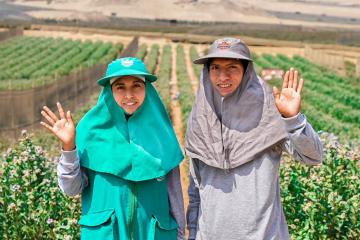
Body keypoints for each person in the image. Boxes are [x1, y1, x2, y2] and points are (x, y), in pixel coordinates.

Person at [185, 38, 323, 240]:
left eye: (232, 67)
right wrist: (194, 233)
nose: (223, 76)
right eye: (215, 67)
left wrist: (292, 119)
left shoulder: (268, 116)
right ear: (207, 72)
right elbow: (196, 187)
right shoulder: (201, 119)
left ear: (246, 71)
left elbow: (313, 157)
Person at [40, 57, 186, 240]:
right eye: (120, 87)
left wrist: (181, 235)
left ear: (147, 88)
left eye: (136, 85)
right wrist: (69, 147)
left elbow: (174, 195)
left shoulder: (162, 135)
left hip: (154, 234)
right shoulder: (89, 133)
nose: (129, 95)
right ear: (109, 91)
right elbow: (71, 189)